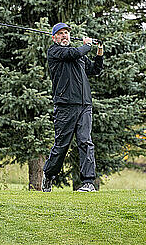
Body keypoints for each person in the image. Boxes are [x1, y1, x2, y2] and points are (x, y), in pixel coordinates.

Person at [42, 22, 104, 192]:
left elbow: (95, 69)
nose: (64, 36)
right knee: (62, 145)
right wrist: (88, 44)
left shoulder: (79, 56)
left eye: (66, 33)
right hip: (65, 106)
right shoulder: (55, 52)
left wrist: (99, 51)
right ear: (54, 37)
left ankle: (88, 182)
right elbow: (74, 52)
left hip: (85, 105)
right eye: (60, 33)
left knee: (86, 142)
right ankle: (48, 174)